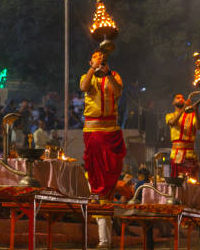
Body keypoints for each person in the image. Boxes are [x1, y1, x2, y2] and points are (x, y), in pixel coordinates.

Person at [80, 49, 125, 249]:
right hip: (94, 132)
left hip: (111, 132)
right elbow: (83, 87)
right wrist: (93, 70)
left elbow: (118, 92)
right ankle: (104, 239)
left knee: (110, 181)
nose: (98, 58)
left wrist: (107, 73)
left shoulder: (114, 76)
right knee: (97, 184)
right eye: (95, 56)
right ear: (90, 60)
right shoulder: (87, 76)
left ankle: (106, 237)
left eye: (101, 56)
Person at [165, 93, 200, 179]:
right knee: (177, 180)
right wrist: (185, 107)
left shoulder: (191, 116)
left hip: (190, 154)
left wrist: (196, 111)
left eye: (182, 98)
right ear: (173, 103)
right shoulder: (170, 115)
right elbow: (172, 122)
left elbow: (198, 127)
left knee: (192, 180)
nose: (181, 99)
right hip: (177, 154)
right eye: (178, 98)